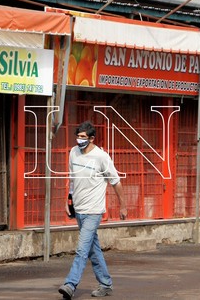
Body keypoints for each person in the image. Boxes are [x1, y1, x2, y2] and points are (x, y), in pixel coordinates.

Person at [58, 121, 127, 299]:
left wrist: (123, 205)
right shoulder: (73, 152)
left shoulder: (101, 157)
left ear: (91, 139)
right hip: (79, 209)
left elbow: (116, 182)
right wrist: (69, 200)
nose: (79, 140)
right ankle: (105, 284)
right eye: (78, 136)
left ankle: (70, 284)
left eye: (83, 137)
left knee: (82, 249)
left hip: (94, 211)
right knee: (92, 249)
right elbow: (72, 179)